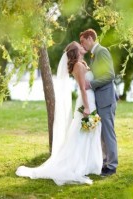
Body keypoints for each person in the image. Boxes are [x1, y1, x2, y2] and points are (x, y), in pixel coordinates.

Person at [16, 41, 102, 185]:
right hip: (87, 100)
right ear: (76, 51)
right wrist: (87, 107)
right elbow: (82, 88)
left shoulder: (81, 63)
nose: (82, 46)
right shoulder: (79, 66)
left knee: (89, 131)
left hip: (90, 98)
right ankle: (79, 163)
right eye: (80, 46)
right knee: (84, 131)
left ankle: (88, 163)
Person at [79, 29, 118, 176]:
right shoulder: (94, 55)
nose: (83, 45)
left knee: (108, 133)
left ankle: (112, 166)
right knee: (101, 133)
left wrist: (92, 84)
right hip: (99, 100)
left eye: (83, 41)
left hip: (106, 100)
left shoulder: (102, 51)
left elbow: (110, 75)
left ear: (90, 38)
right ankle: (105, 161)